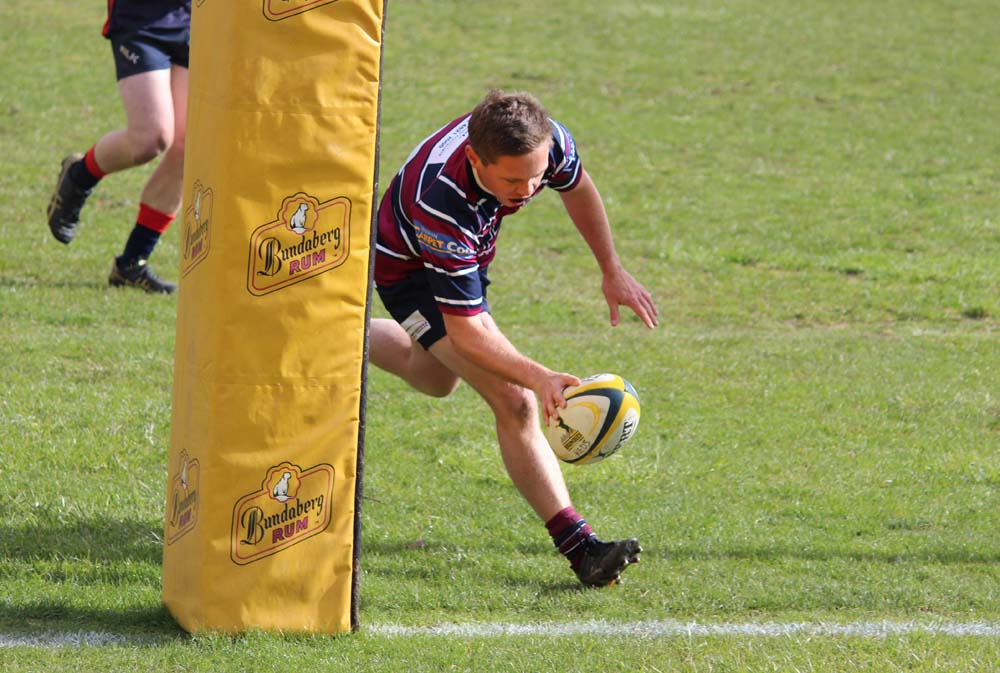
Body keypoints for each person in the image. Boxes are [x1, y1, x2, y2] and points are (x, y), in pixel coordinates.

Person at [370, 89, 659, 587]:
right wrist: (539, 377)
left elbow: (578, 186)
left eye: (535, 176)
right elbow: (467, 334)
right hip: (410, 272)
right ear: (474, 159)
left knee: (436, 379)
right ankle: (582, 550)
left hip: (467, 253)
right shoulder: (441, 203)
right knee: (516, 400)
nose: (527, 190)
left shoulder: (542, 138)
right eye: (511, 180)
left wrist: (611, 268)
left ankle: (335, 332)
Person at [46, 1, 191, 294]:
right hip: (141, 20)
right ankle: (78, 176)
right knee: (151, 138)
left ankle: (132, 263)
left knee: (187, 147)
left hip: (194, 20)